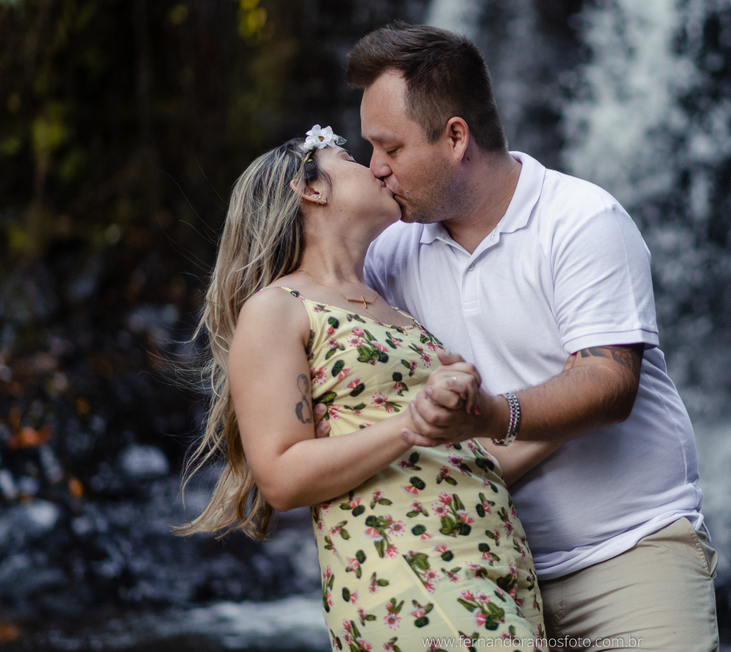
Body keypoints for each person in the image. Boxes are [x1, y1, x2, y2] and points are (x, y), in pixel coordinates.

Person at [317, 22, 719, 651]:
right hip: (478, 568)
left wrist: (488, 415)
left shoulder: (581, 220)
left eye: (390, 148)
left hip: (626, 554)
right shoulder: (390, 252)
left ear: (456, 137)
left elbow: (610, 382)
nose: (376, 169)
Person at [175, 126, 556, 651]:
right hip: (408, 578)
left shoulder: (397, 312)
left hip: (497, 564)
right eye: (352, 158)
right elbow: (281, 475)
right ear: (311, 189)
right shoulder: (277, 308)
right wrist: (410, 423)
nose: (378, 167)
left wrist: (587, 402)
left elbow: (463, 458)